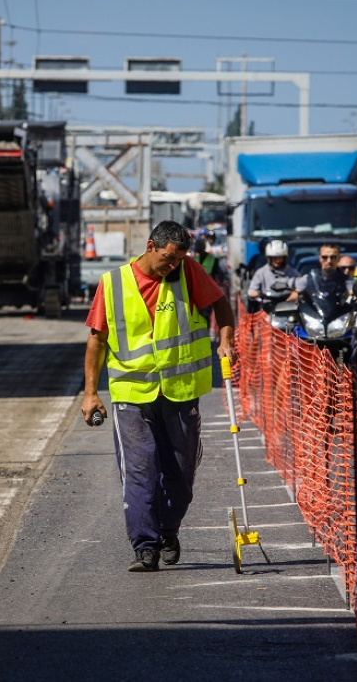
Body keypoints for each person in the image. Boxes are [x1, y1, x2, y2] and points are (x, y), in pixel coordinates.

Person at [81, 220, 236, 573]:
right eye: (168, 258)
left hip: (180, 392)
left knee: (180, 473)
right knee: (140, 469)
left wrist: (226, 340)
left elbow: (221, 305)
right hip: (131, 392)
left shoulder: (188, 272)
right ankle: (145, 546)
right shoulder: (114, 283)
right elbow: (97, 340)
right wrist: (91, 393)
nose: (173, 265)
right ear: (151, 246)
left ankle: (168, 530)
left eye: (179, 259)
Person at [246, 239, 302, 308]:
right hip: (267, 309)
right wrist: (259, 294)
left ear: (285, 258)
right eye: (274, 258)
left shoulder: (293, 273)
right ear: (269, 258)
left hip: (289, 309)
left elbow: (302, 286)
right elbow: (251, 291)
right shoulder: (261, 273)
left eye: (280, 258)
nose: (277, 261)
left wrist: (296, 292)